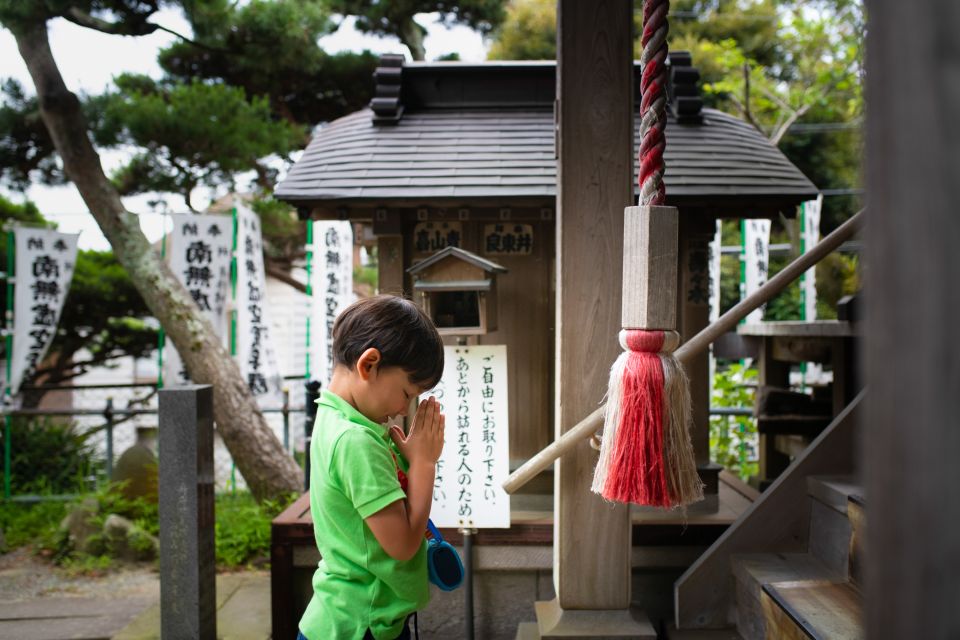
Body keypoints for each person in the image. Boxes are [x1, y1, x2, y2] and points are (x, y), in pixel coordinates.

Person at [298, 295, 446, 640]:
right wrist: (424, 464)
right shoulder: (356, 440)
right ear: (369, 364)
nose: (404, 409)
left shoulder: (333, 417)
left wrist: (409, 461)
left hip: (349, 614)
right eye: (406, 393)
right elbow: (403, 546)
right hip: (361, 623)